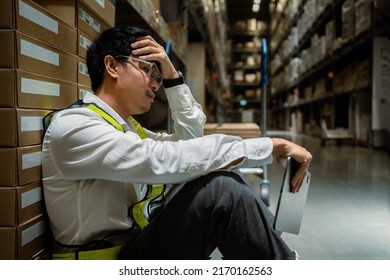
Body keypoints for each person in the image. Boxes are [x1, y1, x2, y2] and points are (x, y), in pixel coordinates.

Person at [42, 26, 312, 260]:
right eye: (148, 71)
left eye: (157, 77)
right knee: (220, 190)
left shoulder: (125, 129)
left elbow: (191, 146)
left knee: (220, 174)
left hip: (134, 250)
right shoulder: (76, 126)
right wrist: (270, 145)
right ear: (112, 66)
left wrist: (172, 76)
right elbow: (165, 159)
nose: (155, 84)